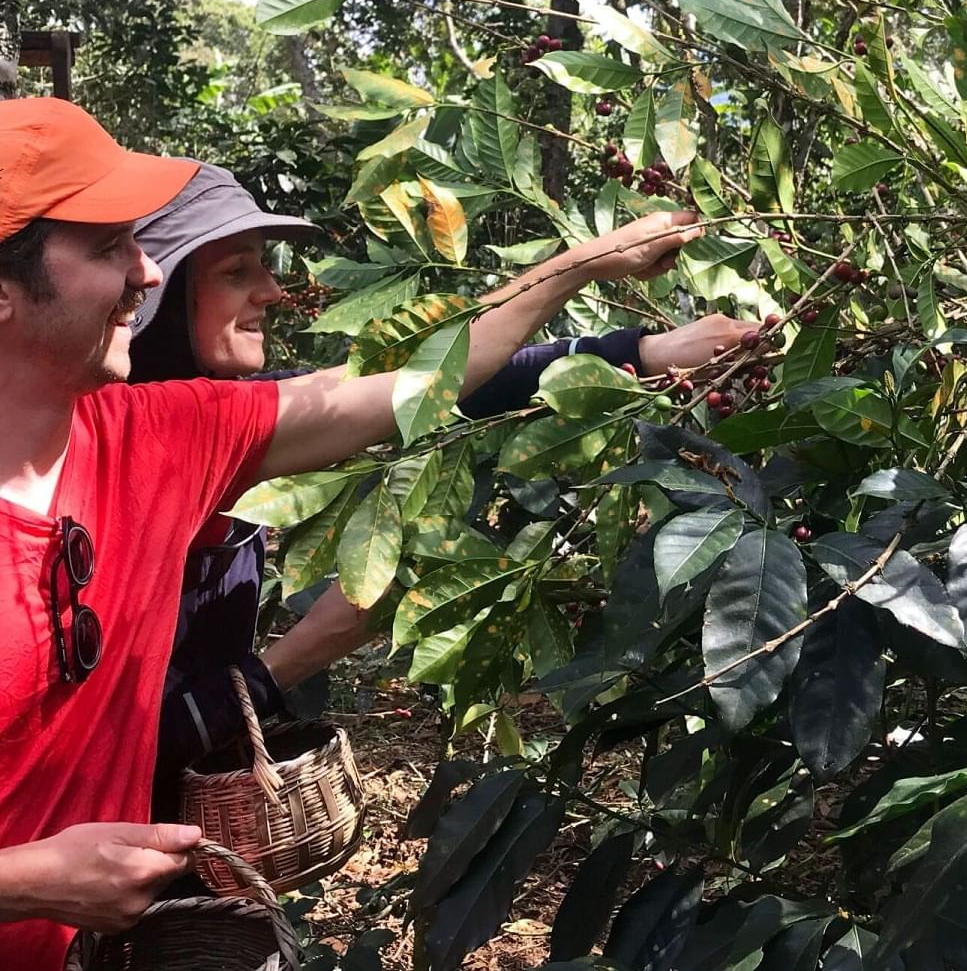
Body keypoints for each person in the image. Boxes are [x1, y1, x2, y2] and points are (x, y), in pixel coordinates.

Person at [0, 96, 702, 971]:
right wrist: (23, 882)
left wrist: (586, 270)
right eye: (108, 248)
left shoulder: (159, 434)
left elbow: (410, 383)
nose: (143, 274)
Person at [122, 163, 761, 813]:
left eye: (264, 266)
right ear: (161, 295)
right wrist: (303, 652)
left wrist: (643, 352)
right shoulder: (130, 453)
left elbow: (429, 382)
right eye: (236, 271)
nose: (272, 290)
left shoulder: (219, 418)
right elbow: (111, 746)